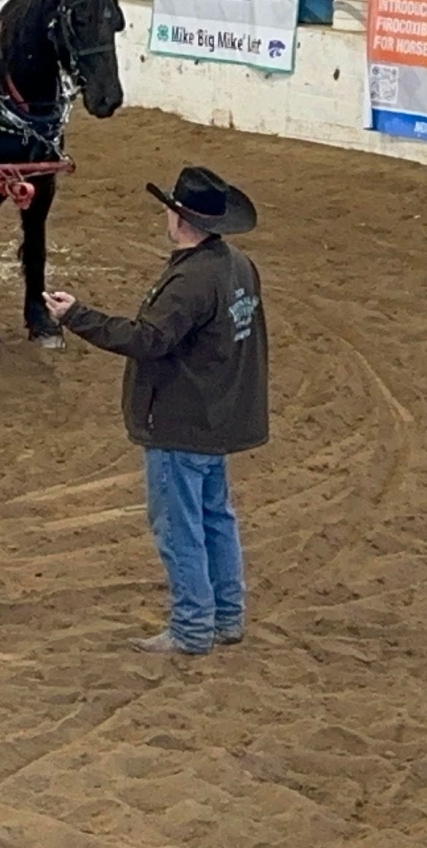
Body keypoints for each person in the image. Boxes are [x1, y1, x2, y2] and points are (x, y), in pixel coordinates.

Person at [41, 167, 267, 656]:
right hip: (215, 416)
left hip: (180, 420)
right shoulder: (239, 267)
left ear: (178, 217)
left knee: (180, 526)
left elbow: (147, 340)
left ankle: (191, 628)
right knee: (215, 518)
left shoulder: (191, 280)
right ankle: (227, 616)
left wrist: (76, 315)